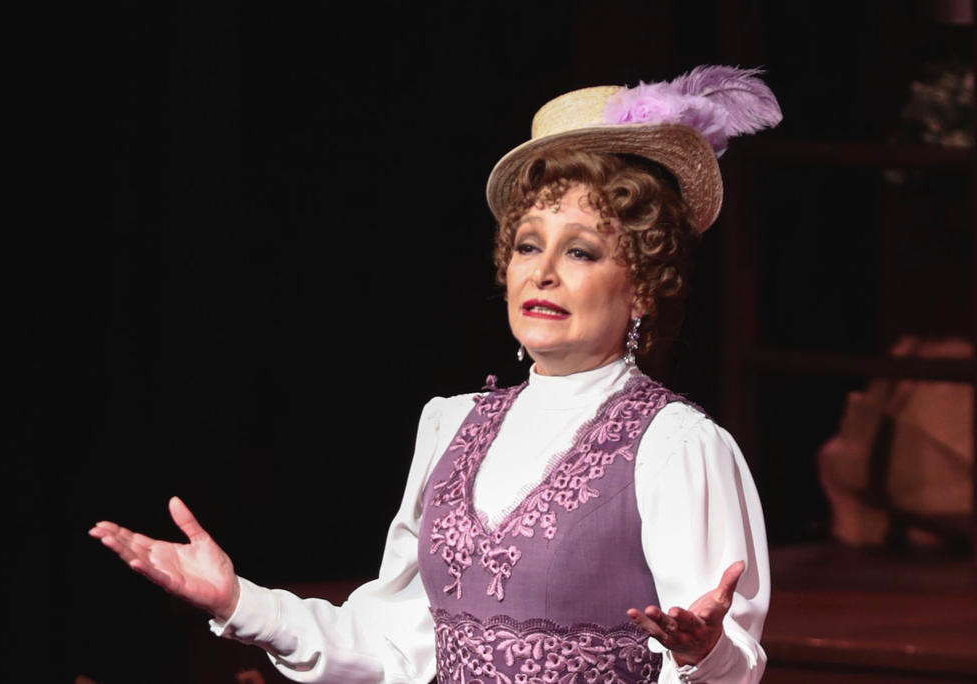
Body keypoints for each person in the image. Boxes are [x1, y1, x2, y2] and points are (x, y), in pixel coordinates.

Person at [91, 66, 781, 683]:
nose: (542, 272)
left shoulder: (675, 445)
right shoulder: (452, 423)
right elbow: (393, 644)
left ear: (643, 288)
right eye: (528, 246)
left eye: (580, 252)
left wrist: (706, 654)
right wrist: (238, 600)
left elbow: (727, 662)